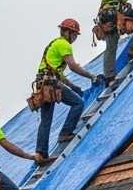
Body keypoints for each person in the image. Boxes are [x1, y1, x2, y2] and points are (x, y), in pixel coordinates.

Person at [35, 18, 100, 155]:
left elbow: (58, 73)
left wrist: (72, 86)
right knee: (77, 103)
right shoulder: (64, 44)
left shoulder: (55, 44)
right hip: (50, 82)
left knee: (45, 120)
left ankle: (41, 153)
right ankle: (65, 132)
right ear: (65, 32)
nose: (75, 38)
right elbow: (73, 66)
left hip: (42, 82)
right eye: (74, 34)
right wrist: (91, 76)